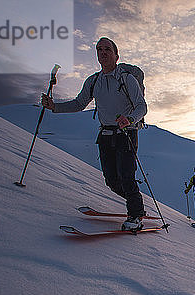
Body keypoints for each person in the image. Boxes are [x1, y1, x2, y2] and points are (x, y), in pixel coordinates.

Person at [42, 37, 148, 231]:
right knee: (111, 180)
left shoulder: (126, 78)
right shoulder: (93, 81)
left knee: (126, 176)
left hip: (126, 133)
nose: (103, 52)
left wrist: (130, 119)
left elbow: (142, 106)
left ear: (116, 55)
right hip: (106, 134)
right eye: (99, 49)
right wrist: (54, 107)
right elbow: (79, 104)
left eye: (107, 49)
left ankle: (135, 216)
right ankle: (137, 204)